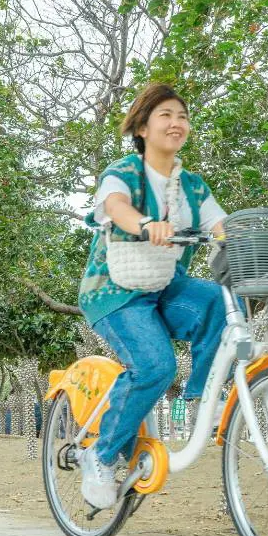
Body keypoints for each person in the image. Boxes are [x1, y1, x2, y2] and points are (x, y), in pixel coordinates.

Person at [77, 83, 229, 508]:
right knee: (155, 366)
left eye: (181, 116)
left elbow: (221, 225)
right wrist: (144, 223)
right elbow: (115, 205)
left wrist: (244, 240)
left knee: (218, 302)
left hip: (163, 285)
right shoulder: (124, 171)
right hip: (115, 291)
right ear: (142, 127)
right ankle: (100, 455)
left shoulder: (193, 187)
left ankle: (201, 399)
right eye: (165, 115)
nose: (176, 122)